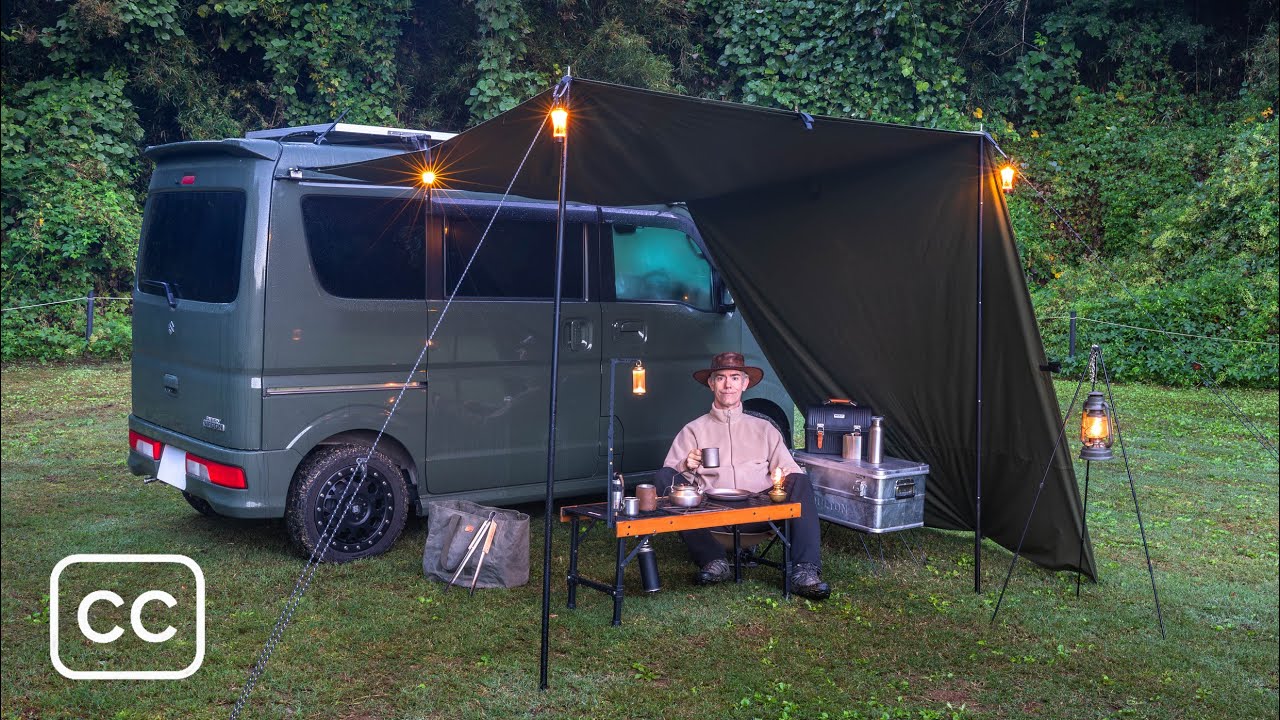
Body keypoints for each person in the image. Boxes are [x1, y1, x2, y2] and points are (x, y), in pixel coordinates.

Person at [658, 351, 831, 600]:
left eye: (735, 378)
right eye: (721, 378)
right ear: (711, 383)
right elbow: (671, 478)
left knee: (800, 479)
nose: (728, 384)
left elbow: (789, 469)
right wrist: (686, 465)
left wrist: (777, 484)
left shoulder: (764, 429)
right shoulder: (693, 430)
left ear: (745, 383)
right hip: (710, 518)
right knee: (664, 476)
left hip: (758, 515)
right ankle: (714, 561)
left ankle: (805, 571)